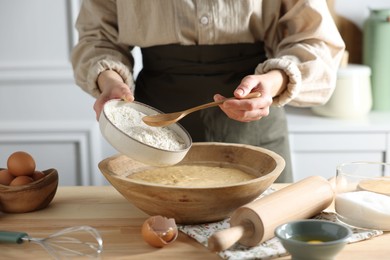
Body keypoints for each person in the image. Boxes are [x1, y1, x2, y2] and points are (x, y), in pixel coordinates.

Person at [71, 0, 345, 183]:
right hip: (153, 135)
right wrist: (108, 80)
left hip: (255, 124)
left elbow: (315, 40)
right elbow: (97, 37)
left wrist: (274, 82)